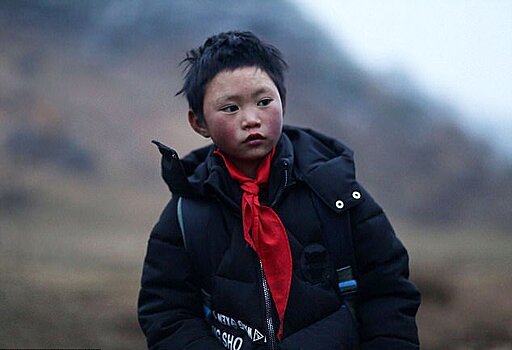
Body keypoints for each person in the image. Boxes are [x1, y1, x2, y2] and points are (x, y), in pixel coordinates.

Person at [138, 31, 420, 350]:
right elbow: (167, 313)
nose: (251, 119)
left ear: (282, 102)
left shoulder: (334, 191)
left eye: (264, 102)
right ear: (199, 122)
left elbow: (388, 292)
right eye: (230, 108)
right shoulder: (187, 212)